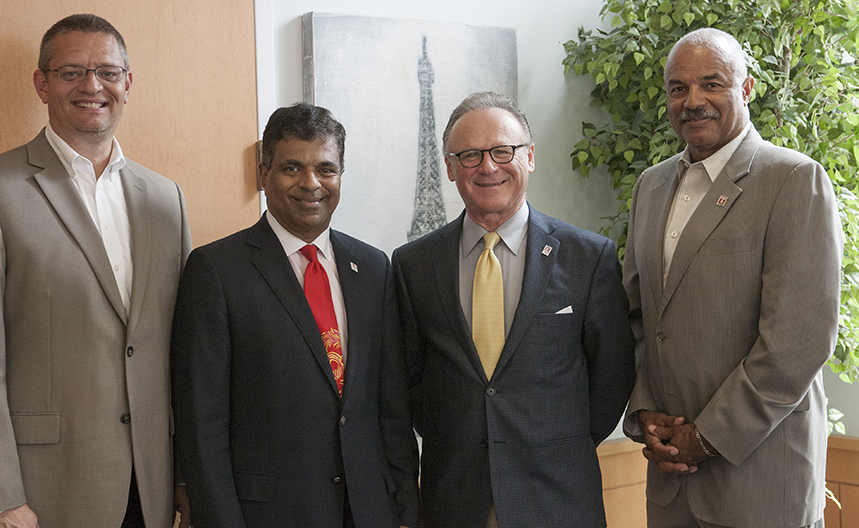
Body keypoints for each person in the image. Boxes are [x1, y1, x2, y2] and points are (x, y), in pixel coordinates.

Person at [0, 14, 192, 528]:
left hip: (149, 489)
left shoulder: (166, 199)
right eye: (71, 72)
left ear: (128, 84)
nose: (92, 86)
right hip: (36, 494)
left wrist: (184, 475)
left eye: (108, 72)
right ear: (41, 84)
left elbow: (180, 350)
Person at [622, 28, 841, 528]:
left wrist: (707, 438)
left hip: (762, 480)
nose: (693, 101)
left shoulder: (793, 179)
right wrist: (645, 413)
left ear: (746, 89)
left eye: (712, 83)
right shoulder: (650, 186)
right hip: (671, 483)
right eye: (678, 88)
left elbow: (798, 342)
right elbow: (636, 318)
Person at [392, 92, 635, 528]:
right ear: (449, 167)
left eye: (503, 151)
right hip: (455, 502)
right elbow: (411, 382)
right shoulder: (414, 265)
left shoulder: (588, 257)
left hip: (557, 500)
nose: (488, 167)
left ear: (530, 157)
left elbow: (612, 377)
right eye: (470, 155)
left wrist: (555, 443)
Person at [171, 103, 419, 528]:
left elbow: (391, 408)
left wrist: (406, 509)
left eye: (326, 169)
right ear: (263, 173)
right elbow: (201, 424)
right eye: (292, 168)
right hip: (268, 514)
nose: (311, 183)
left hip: (367, 511)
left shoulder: (373, 267)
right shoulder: (216, 270)